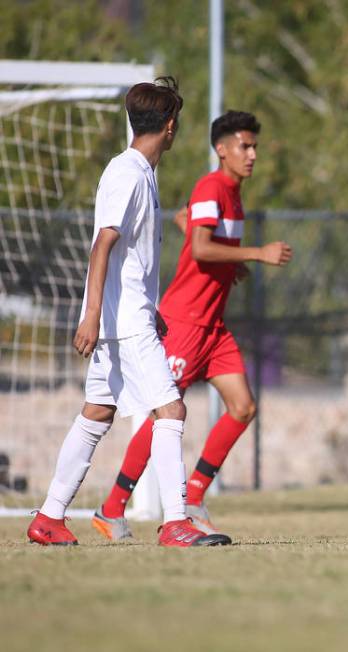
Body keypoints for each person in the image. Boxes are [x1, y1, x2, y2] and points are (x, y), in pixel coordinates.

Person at [27, 78, 229, 547]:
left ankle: (50, 517)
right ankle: (175, 520)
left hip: (130, 315)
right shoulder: (128, 173)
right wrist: (93, 315)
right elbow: (103, 244)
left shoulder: (141, 172)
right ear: (172, 127)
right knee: (171, 408)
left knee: (97, 412)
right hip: (121, 322)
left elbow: (127, 259)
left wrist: (145, 307)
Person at [91, 111, 292, 541]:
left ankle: (195, 496)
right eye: (244, 145)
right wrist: (255, 254)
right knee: (164, 415)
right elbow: (201, 247)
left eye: (255, 145)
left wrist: (230, 266)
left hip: (214, 328)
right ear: (222, 149)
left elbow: (188, 224)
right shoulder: (212, 185)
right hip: (184, 322)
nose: (252, 154)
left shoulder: (234, 194)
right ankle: (112, 508)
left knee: (243, 407)